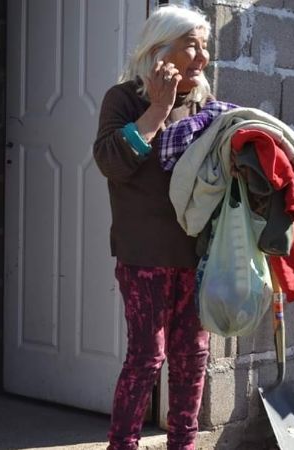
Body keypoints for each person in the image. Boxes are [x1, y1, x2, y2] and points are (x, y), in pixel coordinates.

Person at [92, 5, 213, 450]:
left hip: (196, 255)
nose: (201, 56)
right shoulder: (123, 99)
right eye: (191, 45)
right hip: (143, 254)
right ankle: (122, 444)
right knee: (147, 357)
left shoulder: (203, 104)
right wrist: (158, 108)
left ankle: (183, 444)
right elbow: (111, 163)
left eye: (205, 46)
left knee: (192, 357)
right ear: (159, 48)